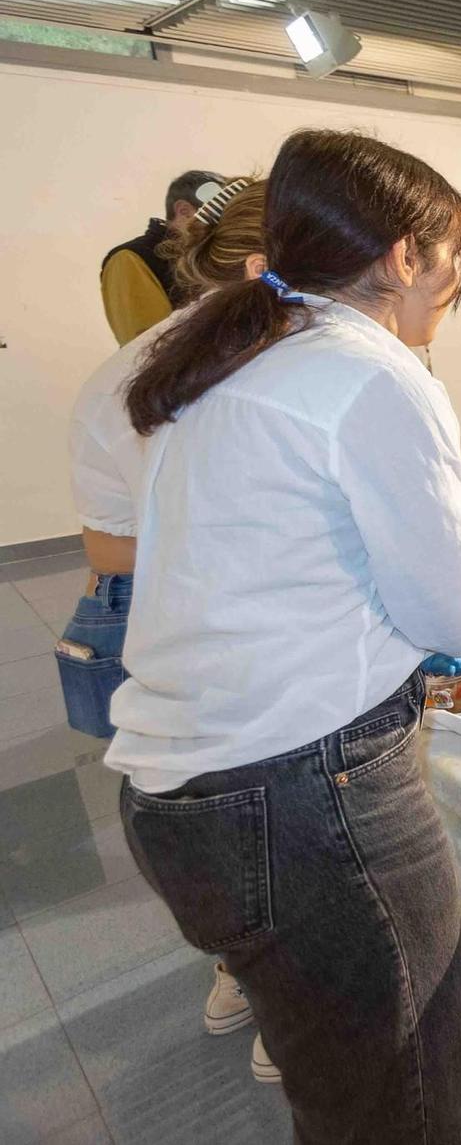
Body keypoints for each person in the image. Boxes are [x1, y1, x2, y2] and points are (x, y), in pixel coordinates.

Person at [109, 128, 461, 1141]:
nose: (450, 295)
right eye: (452, 267)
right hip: (311, 802)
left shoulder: (233, 355)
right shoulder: (371, 370)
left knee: (348, 1100)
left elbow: (300, 560)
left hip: (189, 799)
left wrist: (399, 621)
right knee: (416, 1105)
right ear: (406, 256)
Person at [65, 177, 279, 1076]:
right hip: (210, 628)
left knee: (240, 806)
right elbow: (106, 548)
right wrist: (222, 542)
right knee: (236, 808)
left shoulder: (273, 359)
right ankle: (266, 985)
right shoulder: (156, 374)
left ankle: (258, 974)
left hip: (216, 626)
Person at [101, 168, 224, 345]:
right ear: (183, 210)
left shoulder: (208, 255)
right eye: (218, 213)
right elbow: (147, 347)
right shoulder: (129, 258)